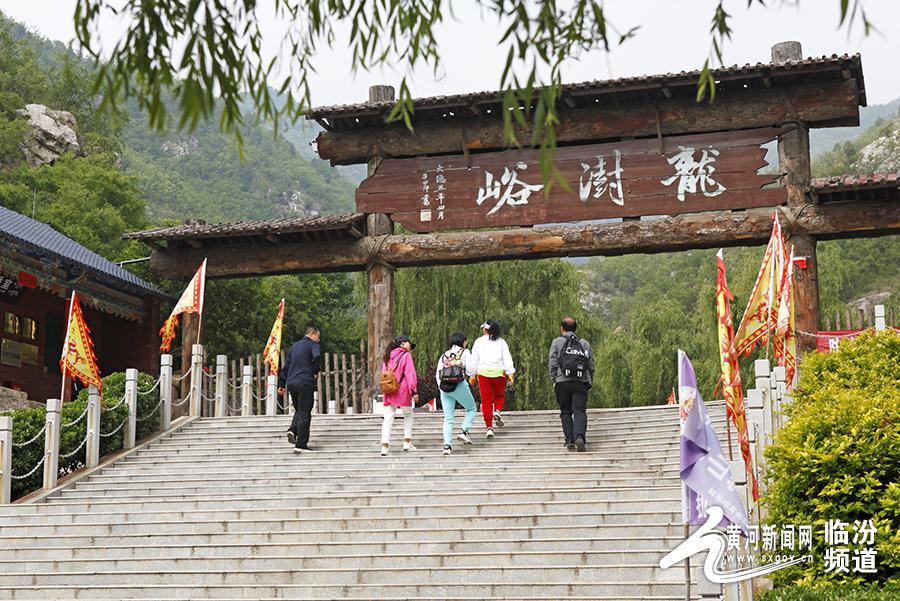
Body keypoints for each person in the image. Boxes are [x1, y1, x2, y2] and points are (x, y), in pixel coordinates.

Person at [548, 317, 594, 452]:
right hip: (580, 382)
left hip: (562, 382)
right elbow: (591, 365)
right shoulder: (584, 344)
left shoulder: (556, 342)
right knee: (579, 411)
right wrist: (589, 380)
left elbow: (552, 362)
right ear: (575, 329)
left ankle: (569, 440)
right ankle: (580, 436)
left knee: (566, 411)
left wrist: (554, 378)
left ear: (561, 328)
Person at [278, 325, 322, 454]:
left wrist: (281, 384)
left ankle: (293, 429)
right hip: (305, 381)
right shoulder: (313, 345)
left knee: (299, 409)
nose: (318, 340)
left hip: (292, 382)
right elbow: (318, 357)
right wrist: (315, 370)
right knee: (305, 412)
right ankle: (301, 444)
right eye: (318, 337)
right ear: (312, 334)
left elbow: (286, 367)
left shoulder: (294, 347)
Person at [469, 319, 515, 438]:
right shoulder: (501, 342)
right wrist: (510, 373)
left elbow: (474, 359)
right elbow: (507, 358)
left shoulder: (478, 342)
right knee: (499, 396)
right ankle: (498, 411)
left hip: (483, 373)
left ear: (485, 329)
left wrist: (472, 375)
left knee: (486, 402)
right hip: (499, 373)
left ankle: (489, 427)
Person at [435, 332, 477, 455]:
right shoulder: (465, 352)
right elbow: (471, 370)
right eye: (466, 341)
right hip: (459, 385)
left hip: (444, 387)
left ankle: (447, 446)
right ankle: (464, 431)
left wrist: (441, 387)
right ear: (462, 341)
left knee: (448, 418)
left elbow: (438, 373)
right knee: (471, 408)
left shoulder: (444, 355)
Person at [380, 335, 419, 456]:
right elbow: (410, 374)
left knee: (388, 419)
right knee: (408, 415)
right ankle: (407, 442)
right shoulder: (406, 355)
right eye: (409, 344)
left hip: (389, 390)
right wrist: (414, 391)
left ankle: (384, 446)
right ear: (402, 344)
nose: (410, 347)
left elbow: (384, 374)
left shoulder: (387, 356)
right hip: (402, 390)